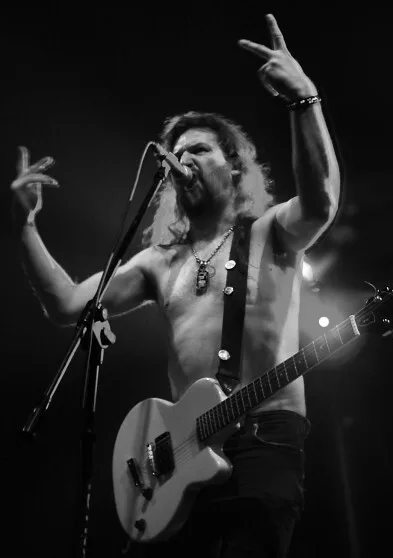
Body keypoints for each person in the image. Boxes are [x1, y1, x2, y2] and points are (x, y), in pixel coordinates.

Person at [11, 13, 341, 558]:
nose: (183, 159)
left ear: (235, 168)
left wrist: (304, 101)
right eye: (178, 153)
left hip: (264, 441)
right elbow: (68, 305)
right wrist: (24, 227)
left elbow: (321, 203)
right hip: (177, 459)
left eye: (200, 150)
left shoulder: (269, 232)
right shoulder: (158, 262)